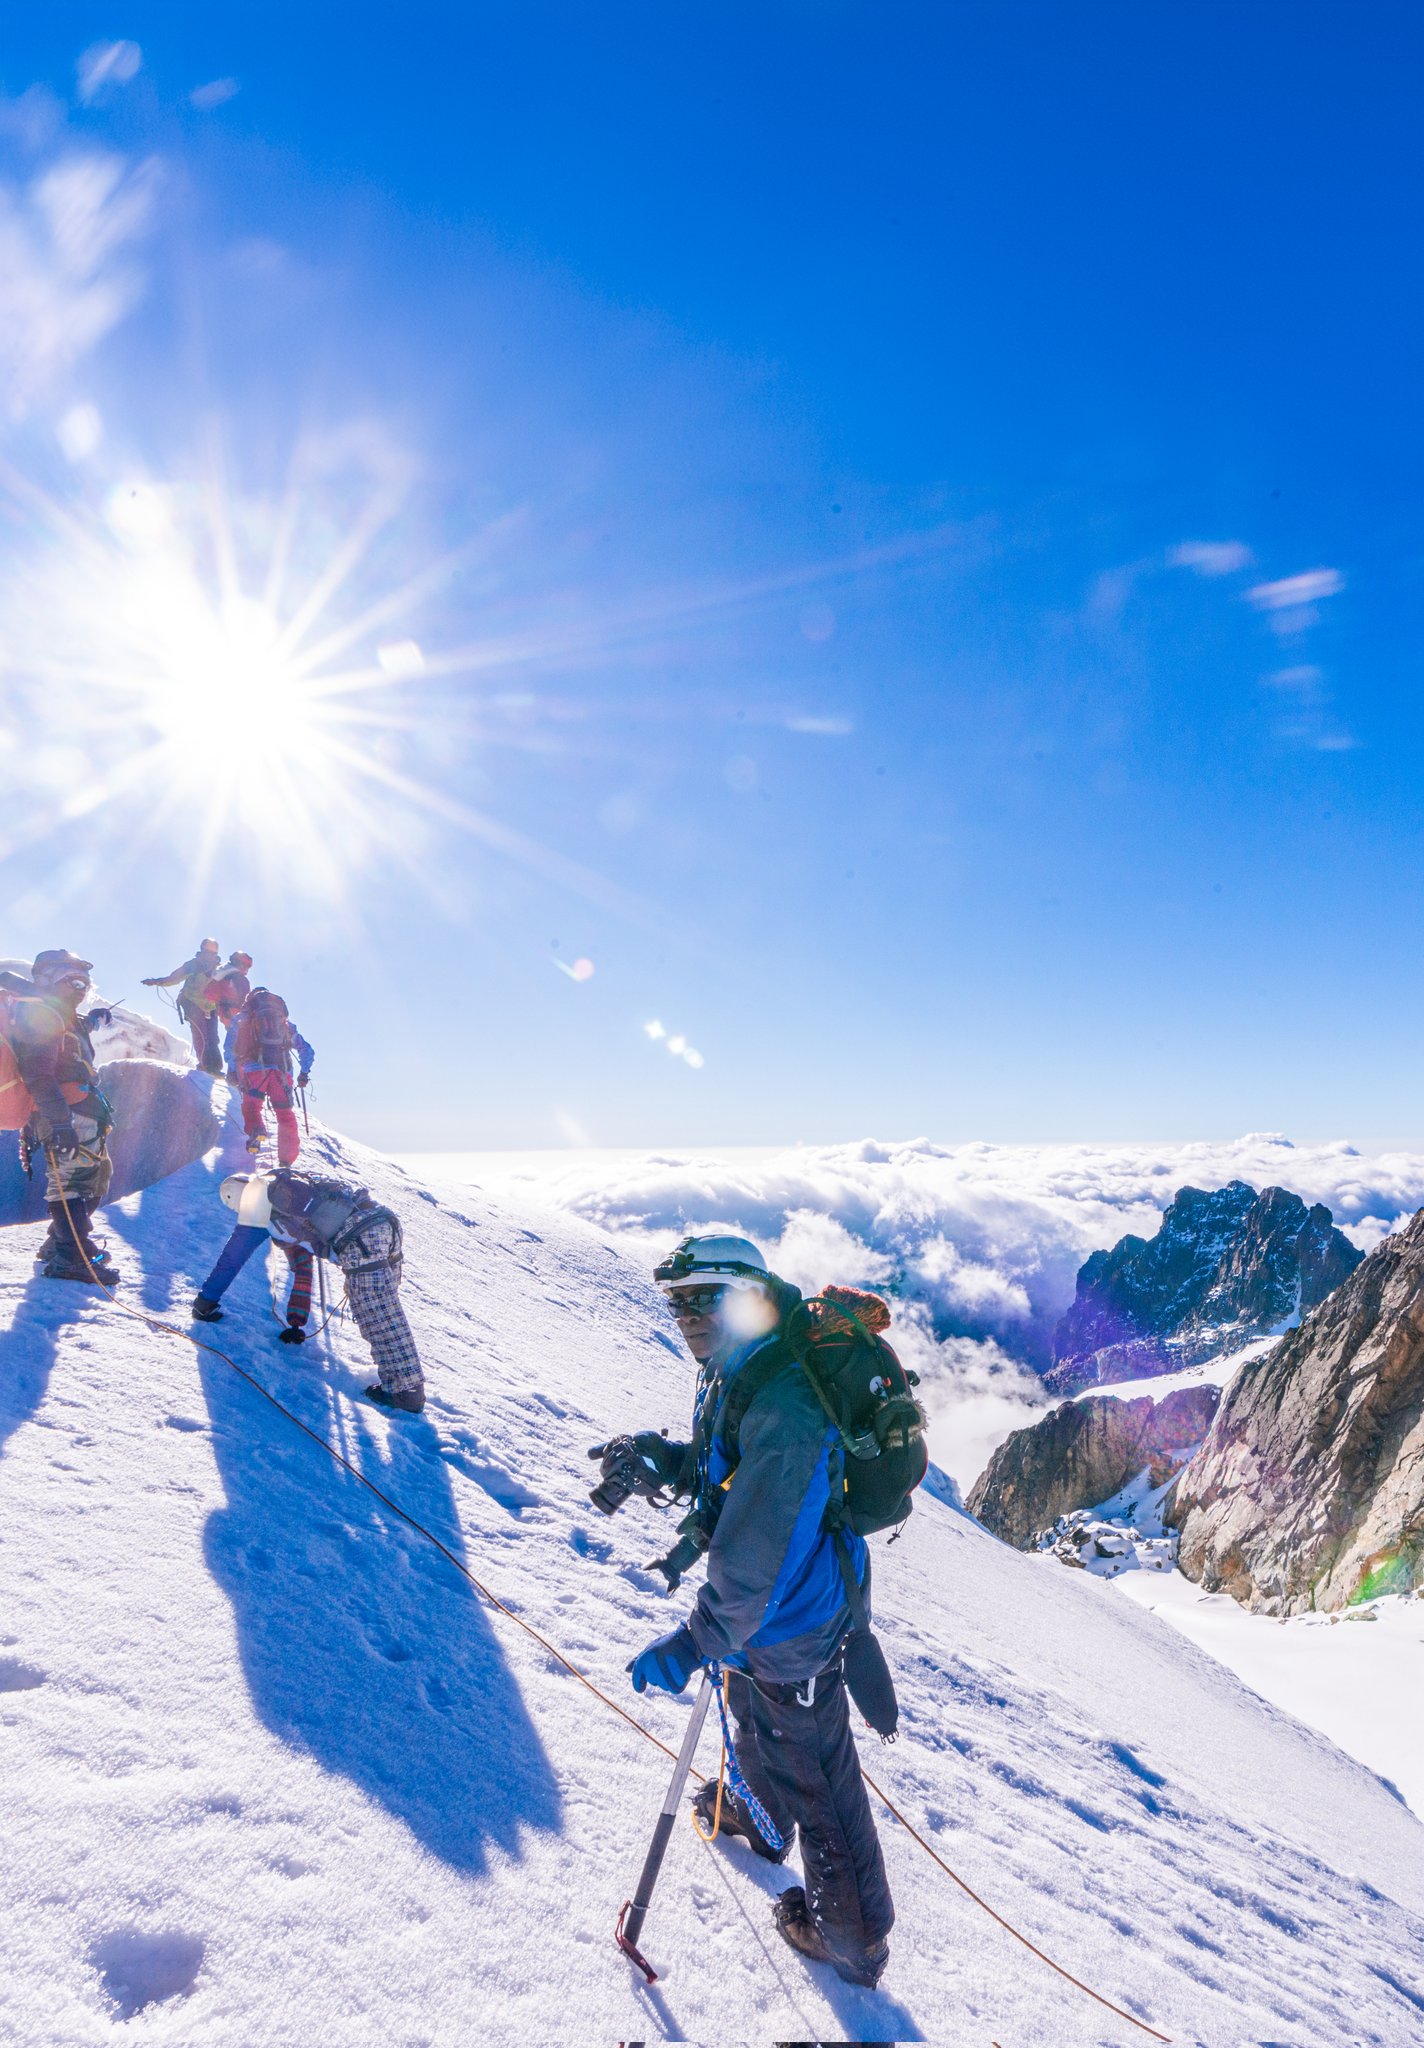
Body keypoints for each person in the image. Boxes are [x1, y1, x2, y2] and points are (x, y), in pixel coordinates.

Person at [600, 1233, 894, 1988]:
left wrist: (693, 1641)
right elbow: (723, 1472)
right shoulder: (739, 1367)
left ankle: (853, 1940)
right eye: (678, 1302)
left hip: (795, 1622)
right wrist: (664, 1458)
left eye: (704, 1298)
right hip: (760, 1620)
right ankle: (757, 1818)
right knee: (750, 1714)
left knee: (819, 1778)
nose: (687, 1315)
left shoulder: (788, 1403)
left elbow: (759, 1553)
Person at [191, 1169, 424, 1413]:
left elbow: (231, 1260)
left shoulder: (260, 1210)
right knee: (386, 1311)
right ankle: (405, 1385)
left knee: (377, 1315)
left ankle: (406, 1392)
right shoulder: (285, 1195)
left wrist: (205, 1302)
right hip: (383, 1221)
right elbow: (304, 1267)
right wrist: (295, 1324)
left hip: (360, 1237)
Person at [6, 950, 118, 1284]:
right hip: (66, 1112)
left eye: (86, 983)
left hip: (81, 1109)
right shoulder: (40, 1012)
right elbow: (38, 1073)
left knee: (95, 1178)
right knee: (71, 1183)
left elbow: (71, 1035)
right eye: (75, 982)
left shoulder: (55, 1012)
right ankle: (72, 1256)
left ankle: (60, 1243)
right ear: (49, 979)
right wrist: (59, 1123)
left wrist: (94, 1019)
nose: (83, 989)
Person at [231, 987, 314, 1166]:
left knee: (251, 1107)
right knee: (285, 1114)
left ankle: (256, 1130)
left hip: (254, 1071)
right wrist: (304, 1073)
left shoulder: (243, 1020)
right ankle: (286, 1161)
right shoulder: (285, 1023)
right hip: (281, 1073)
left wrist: (232, 1071)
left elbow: (232, 1048)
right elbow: (306, 1050)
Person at [141, 939, 223, 1074]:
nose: (210, 956)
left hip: (211, 1006)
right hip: (192, 1002)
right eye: (208, 952)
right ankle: (206, 1066)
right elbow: (173, 978)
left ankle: (215, 1067)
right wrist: (156, 982)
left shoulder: (219, 968)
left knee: (212, 1037)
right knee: (201, 1034)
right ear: (202, 951)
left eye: (212, 953)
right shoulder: (194, 965)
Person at [208, 951, 254, 1080]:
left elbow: (209, 993)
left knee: (233, 1043)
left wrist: (221, 1004)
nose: (247, 969)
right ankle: (238, 1076)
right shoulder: (240, 979)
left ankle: (234, 1073)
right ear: (240, 964)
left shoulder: (222, 975)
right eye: (246, 966)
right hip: (238, 1016)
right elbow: (246, 1000)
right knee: (241, 1045)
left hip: (225, 1014)